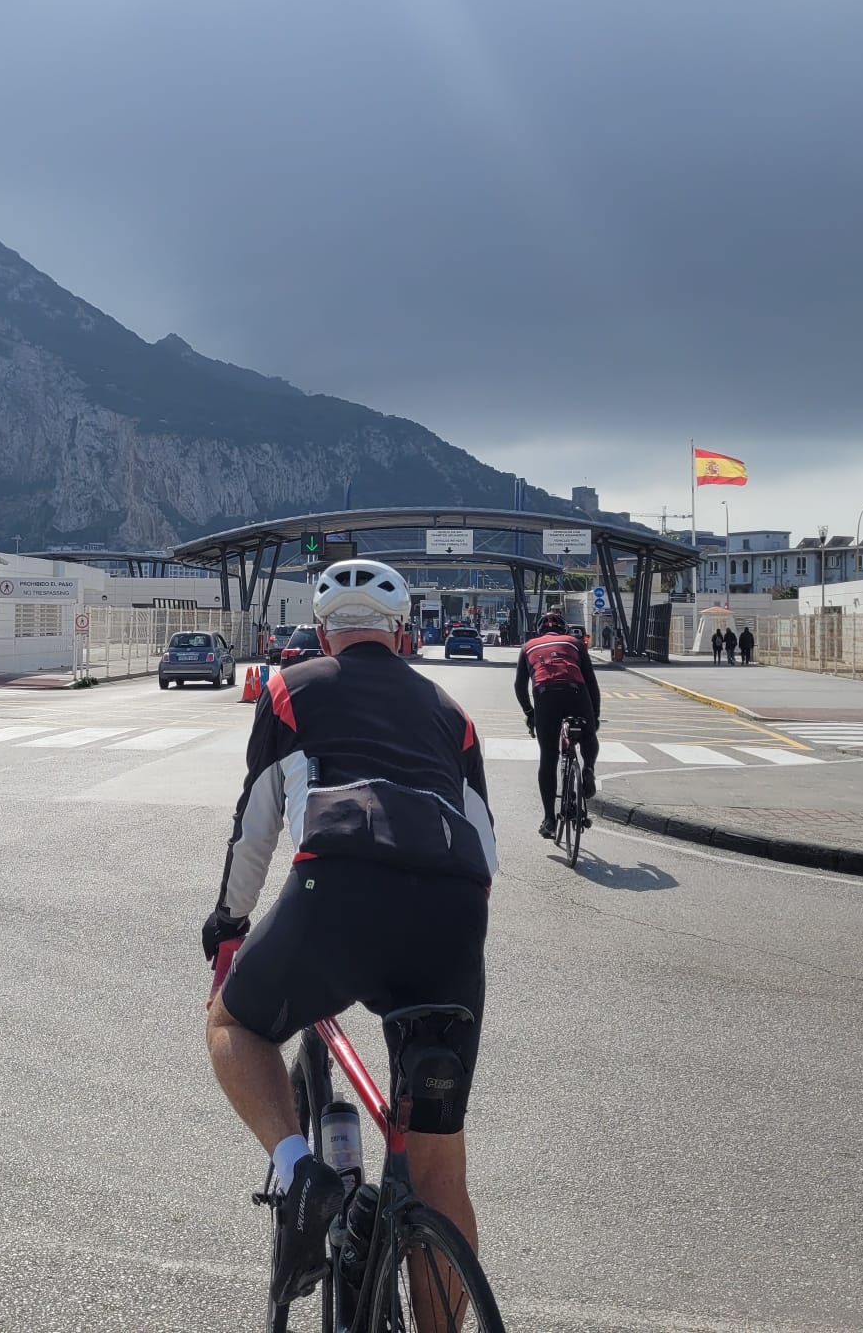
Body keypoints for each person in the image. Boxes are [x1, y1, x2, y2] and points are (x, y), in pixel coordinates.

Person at [203, 559, 495, 1308]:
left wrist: (229, 925)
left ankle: (302, 1172)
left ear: (323, 631)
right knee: (438, 1171)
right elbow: (488, 851)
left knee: (234, 1021)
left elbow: (255, 831)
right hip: (451, 913)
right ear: (402, 633)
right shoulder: (449, 714)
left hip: (337, 891)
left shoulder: (290, 688)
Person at [515, 608, 601, 838]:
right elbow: (591, 682)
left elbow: (519, 687)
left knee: (549, 756)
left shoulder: (528, 646)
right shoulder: (574, 643)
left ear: (540, 630)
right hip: (576, 692)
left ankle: (549, 819)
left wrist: (530, 713)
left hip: (546, 696)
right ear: (563, 629)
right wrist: (595, 716)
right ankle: (589, 770)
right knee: (589, 737)